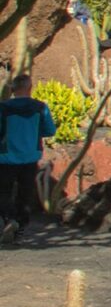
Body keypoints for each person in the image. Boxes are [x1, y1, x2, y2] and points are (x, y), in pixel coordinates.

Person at [0, 74, 57, 244]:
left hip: (6, 158)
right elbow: (50, 130)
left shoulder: (3, 108)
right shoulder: (40, 108)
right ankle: (20, 229)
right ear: (30, 88)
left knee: (3, 192)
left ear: (12, 89)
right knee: (25, 195)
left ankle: (10, 220)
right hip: (30, 157)